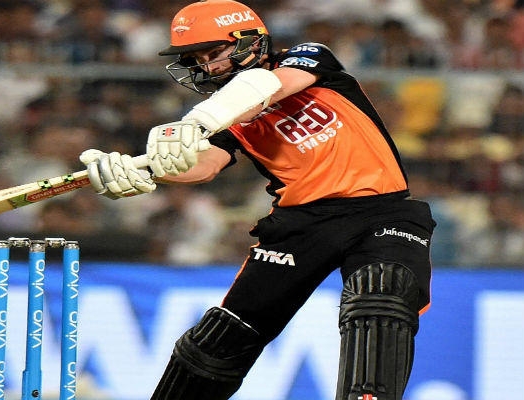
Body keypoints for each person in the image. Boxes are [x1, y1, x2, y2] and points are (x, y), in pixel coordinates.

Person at [78, 1, 436, 399]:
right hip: (300, 224)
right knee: (220, 339)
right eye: (198, 59)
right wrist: (143, 172)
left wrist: (197, 121)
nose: (207, 66)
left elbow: (272, 87)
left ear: (250, 40)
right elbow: (205, 165)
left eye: (214, 52)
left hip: (382, 211)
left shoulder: (308, 58)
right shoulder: (224, 116)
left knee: (381, 296)